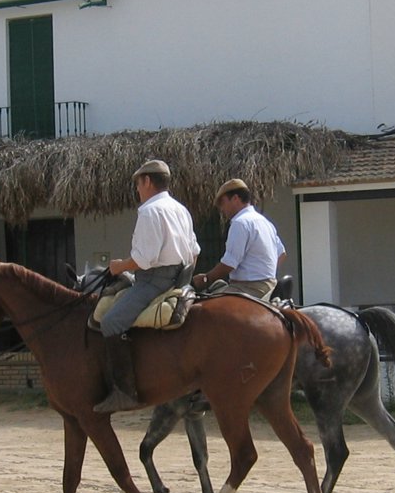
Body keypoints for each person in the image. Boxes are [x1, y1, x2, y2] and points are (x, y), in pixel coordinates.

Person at [94, 159, 200, 413]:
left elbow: (144, 259)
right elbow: (195, 251)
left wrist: (118, 266)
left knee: (110, 322)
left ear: (148, 181)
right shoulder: (180, 209)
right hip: (181, 278)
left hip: (153, 281)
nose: (137, 190)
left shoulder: (149, 211)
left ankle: (124, 392)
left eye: (138, 184)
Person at [192, 178, 285, 300]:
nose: (221, 208)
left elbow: (229, 263)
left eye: (223, 202)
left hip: (247, 288)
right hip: (271, 287)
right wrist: (265, 273)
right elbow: (282, 254)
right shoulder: (265, 222)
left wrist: (206, 278)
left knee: (203, 307)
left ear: (235, 198)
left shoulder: (240, 223)